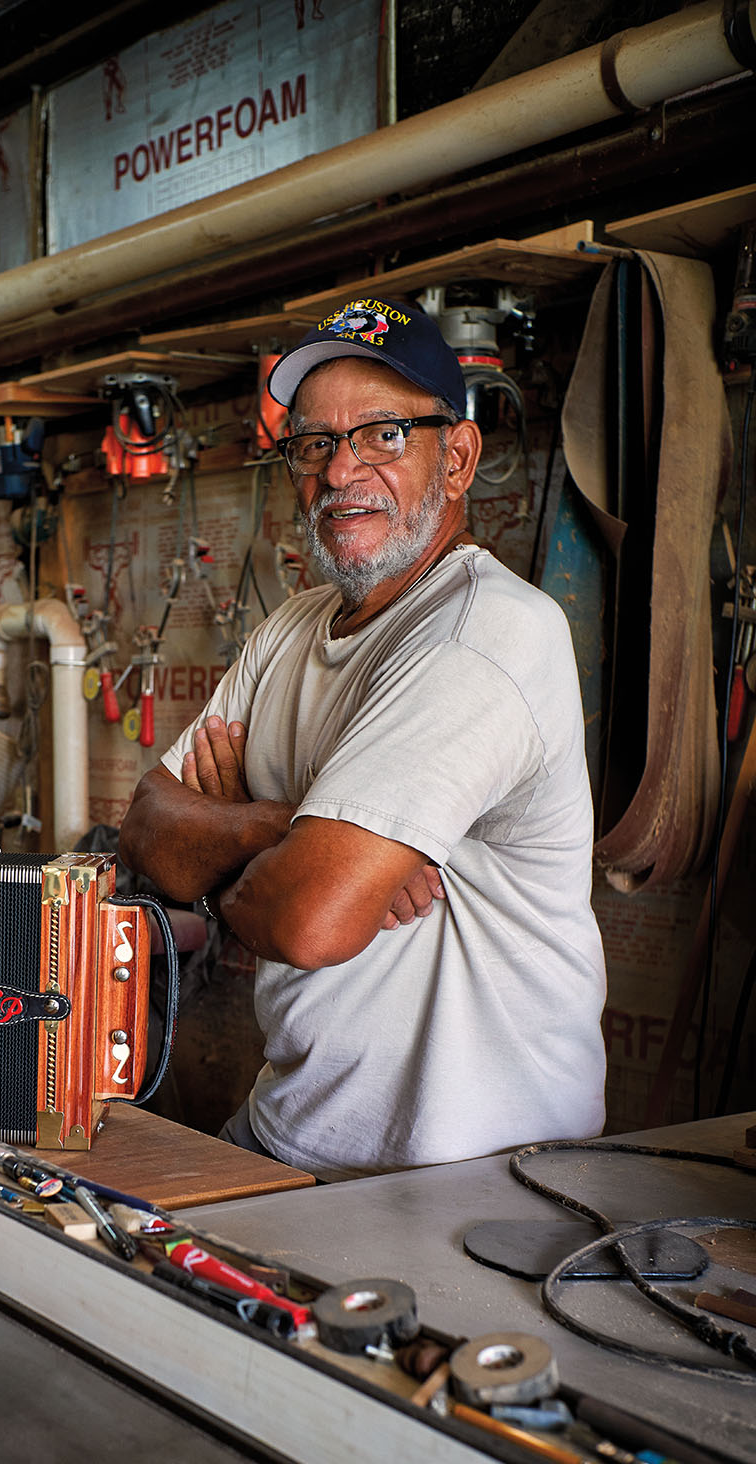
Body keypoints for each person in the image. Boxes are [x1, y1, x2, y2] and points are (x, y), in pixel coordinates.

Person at [119, 298, 606, 1181]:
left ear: (456, 458)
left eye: (383, 435)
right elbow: (150, 827)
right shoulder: (288, 633)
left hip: (473, 1171)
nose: (341, 469)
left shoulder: (486, 634)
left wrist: (231, 860)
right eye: (313, 443)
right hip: (294, 1132)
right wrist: (283, 832)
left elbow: (308, 919)